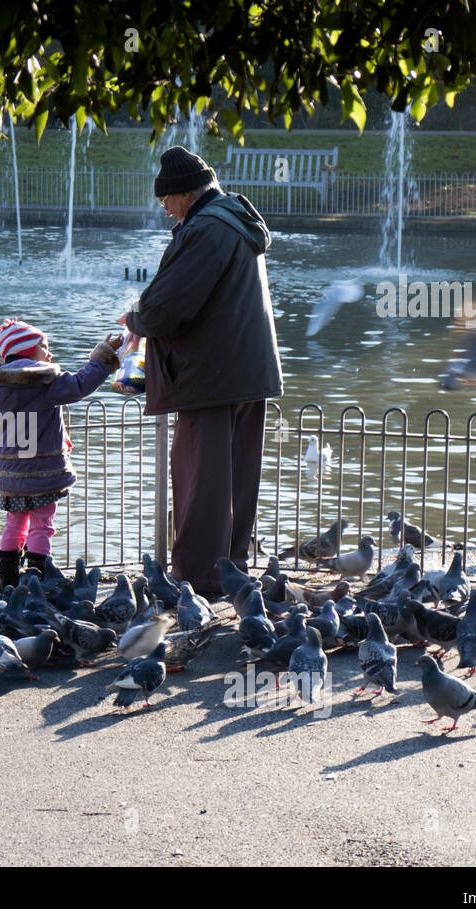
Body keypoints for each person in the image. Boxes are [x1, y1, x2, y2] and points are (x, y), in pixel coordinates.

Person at [120, 146, 283, 597]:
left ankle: (198, 579)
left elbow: (166, 306)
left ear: (186, 193)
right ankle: (232, 569)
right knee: (236, 476)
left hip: (212, 376)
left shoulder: (206, 229)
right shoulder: (232, 220)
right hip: (246, 371)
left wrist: (135, 319)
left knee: (201, 479)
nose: (164, 209)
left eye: (166, 199)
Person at [0, 319, 123, 588]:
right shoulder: (43, 380)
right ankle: (37, 582)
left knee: (14, 524)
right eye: (44, 347)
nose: (49, 354)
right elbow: (82, 383)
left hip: (10, 475)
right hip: (44, 475)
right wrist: (102, 355)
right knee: (41, 525)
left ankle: (9, 581)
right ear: (27, 352)